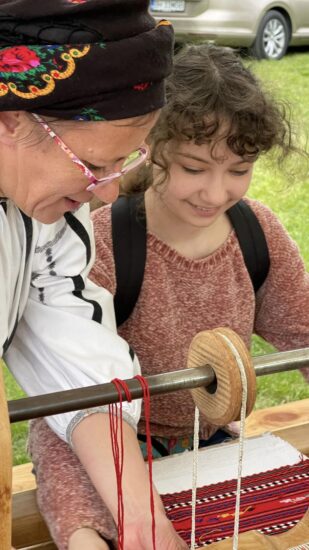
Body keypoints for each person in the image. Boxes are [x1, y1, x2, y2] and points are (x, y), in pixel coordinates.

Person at [28, 43, 309, 549]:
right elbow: (67, 411)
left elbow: (304, 337)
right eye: (195, 168)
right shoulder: (102, 247)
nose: (216, 192)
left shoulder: (257, 234)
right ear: (150, 146)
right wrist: (82, 530)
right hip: (112, 455)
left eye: (239, 169)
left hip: (213, 446)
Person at [0, 1, 186, 549]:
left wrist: (146, 530)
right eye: (94, 166)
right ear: (12, 118)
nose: (106, 193)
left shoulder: (44, 208)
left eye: (124, 162)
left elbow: (70, 341)